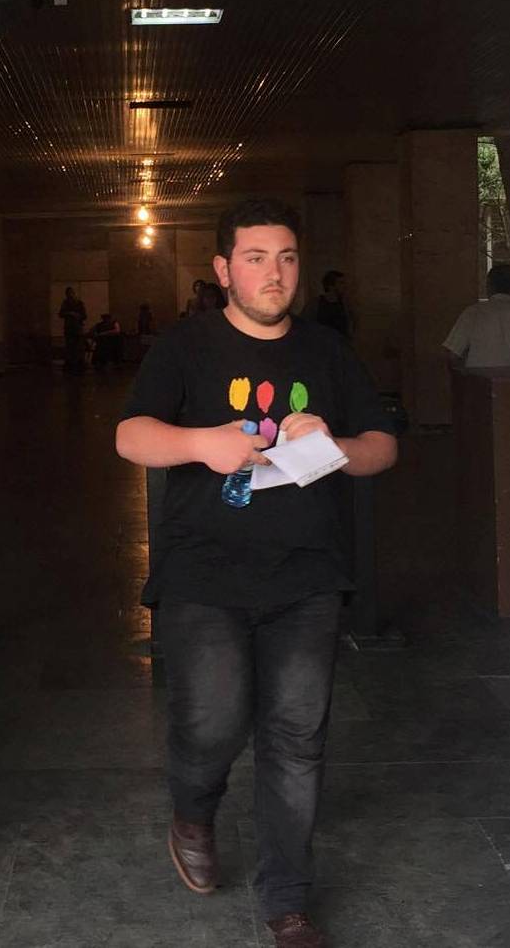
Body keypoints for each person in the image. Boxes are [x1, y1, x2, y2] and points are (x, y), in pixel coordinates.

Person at [116, 198, 398, 948]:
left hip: (307, 574)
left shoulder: (329, 352)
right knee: (212, 720)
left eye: (287, 258)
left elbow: (382, 446)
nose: (274, 273)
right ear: (223, 269)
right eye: (255, 258)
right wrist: (200, 443)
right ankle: (193, 812)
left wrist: (335, 444)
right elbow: (130, 434)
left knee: (297, 735)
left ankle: (288, 901)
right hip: (203, 572)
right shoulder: (184, 347)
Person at [311, 270, 352, 340]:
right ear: (331, 286)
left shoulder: (344, 304)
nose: (344, 286)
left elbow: (349, 327)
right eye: (341, 283)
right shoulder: (316, 303)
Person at [59, 286, 88, 372]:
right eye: (68, 293)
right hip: (69, 328)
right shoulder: (65, 303)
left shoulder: (79, 303)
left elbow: (84, 315)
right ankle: (71, 362)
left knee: (78, 346)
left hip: (77, 327)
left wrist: (76, 315)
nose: (70, 295)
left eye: (71, 293)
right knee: (70, 346)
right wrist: (69, 313)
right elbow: (61, 314)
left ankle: (78, 362)